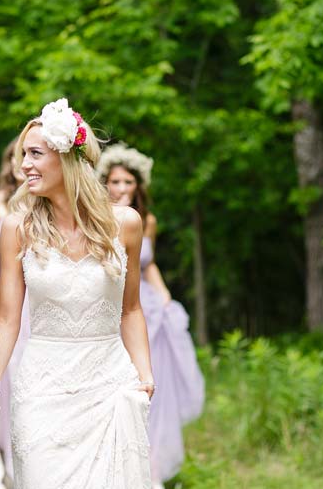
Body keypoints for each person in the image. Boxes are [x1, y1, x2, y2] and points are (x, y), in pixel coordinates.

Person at [0, 98, 154, 488]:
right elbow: (6, 319)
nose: (24, 166)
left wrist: (144, 373)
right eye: (22, 155)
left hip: (109, 384)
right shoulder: (17, 227)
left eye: (35, 154)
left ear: (66, 158)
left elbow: (131, 309)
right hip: (42, 390)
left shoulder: (125, 224)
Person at [97, 142, 206, 487]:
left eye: (128, 182)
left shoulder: (148, 221)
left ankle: (151, 464)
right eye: (115, 182)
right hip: (112, 301)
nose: (122, 188)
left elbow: (148, 263)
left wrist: (165, 295)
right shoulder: (98, 216)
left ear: (138, 186)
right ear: (106, 184)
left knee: (149, 381)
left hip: (146, 307)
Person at [0, 139, 29, 481]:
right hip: (4, 288)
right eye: (21, 155)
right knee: (8, 372)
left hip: (38, 294)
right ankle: (3, 446)